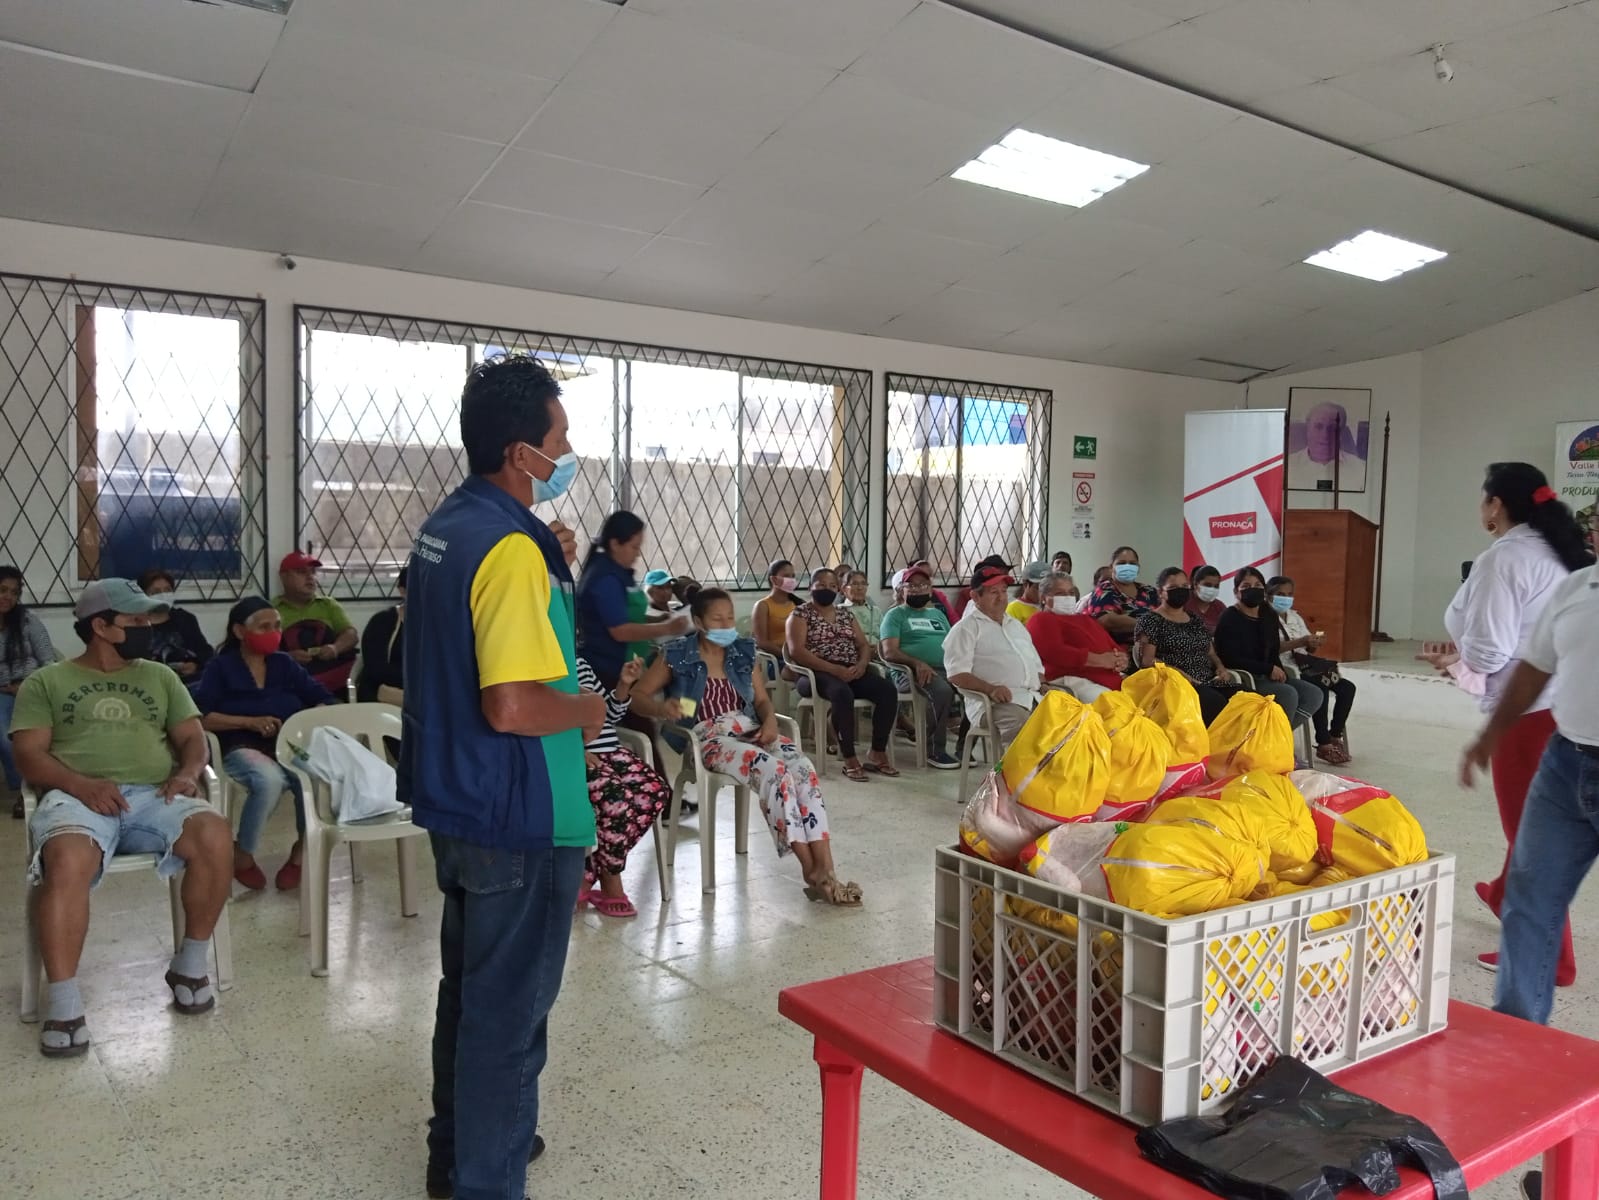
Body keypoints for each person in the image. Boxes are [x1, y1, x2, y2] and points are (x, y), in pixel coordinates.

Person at [399, 354, 608, 1200]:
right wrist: (589, 709)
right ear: (523, 453)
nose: (568, 451)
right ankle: (486, 1179)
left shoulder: (452, 525)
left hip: (457, 794)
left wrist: (541, 553)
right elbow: (514, 705)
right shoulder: (512, 550)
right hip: (519, 807)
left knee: (471, 990)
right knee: (510, 1012)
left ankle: (457, 1150)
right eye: (561, 436)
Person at [9, 578, 231, 1057]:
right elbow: (29, 755)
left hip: (154, 794)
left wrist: (188, 773)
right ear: (101, 626)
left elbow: (193, 738)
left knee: (214, 833)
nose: (147, 627)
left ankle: (190, 966)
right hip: (76, 797)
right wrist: (80, 784)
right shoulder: (47, 682)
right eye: (136, 620)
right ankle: (64, 1004)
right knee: (67, 860)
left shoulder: (161, 677)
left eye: (148, 619)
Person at [1444, 462, 1591, 983]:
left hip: (1526, 716)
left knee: (1532, 839)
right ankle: (1504, 895)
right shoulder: (1563, 553)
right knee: (1536, 825)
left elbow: (1489, 651)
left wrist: (1459, 658)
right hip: (1565, 705)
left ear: (1496, 505)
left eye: (1482, 498)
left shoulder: (1504, 559)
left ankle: (1552, 961)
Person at [633, 588, 861, 905]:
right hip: (709, 738)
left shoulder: (742, 652)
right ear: (698, 621)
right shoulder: (677, 654)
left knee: (803, 769)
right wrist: (662, 708)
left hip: (750, 728)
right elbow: (638, 697)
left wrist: (769, 722)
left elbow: (762, 700)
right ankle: (810, 870)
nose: (727, 625)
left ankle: (827, 866)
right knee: (775, 772)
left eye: (729, 617)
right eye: (717, 619)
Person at [193, 596, 337, 890]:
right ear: (239, 631)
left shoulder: (284, 664)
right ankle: (243, 853)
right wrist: (249, 722)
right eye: (264, 627)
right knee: (269, 781)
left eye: (277, 626)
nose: (273, 633)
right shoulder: (221, 667)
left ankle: (301, 852)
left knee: (314, 779)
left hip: (289, 745)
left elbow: (323, 698)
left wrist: (312, 717)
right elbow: (201, 717)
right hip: (240, 746)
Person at [575, 656, 670, 919]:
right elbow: (546, 719)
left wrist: (624, 684)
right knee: (617, 798)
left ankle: (590, 870)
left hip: (611, 751)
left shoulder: (581, 665)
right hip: (579, 754)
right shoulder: (546, 670)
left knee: (655, 791)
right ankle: (611, 879)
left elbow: (611, 714)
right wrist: (573, 748)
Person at [786, 568, 900, 782]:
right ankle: (849, 758)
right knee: (842, 693)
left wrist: (862, 664)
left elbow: (863, 645)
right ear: (811, 587)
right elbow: (797, 652)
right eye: (821, 585)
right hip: (814, 674)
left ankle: (877, 751)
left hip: (849, 670)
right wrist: (833, 669)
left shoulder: (845, 614)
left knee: (887, 690)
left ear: (838, 589)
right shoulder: (800, 614)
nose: (827, 589)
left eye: (832, 586)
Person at [576, 511, 691, 688]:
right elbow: (620, 630)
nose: (638, 554)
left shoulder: (619, 572)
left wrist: (655, 619)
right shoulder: (605, 578)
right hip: (606, 670)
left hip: (627, 665)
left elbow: (625, 613)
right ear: (615, 544)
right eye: (635, 547)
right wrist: (666, 628)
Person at [945, 563, 1046, 755]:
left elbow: (1036, 667)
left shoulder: (1016, 626)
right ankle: (1016, 773)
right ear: (975, 597)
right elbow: (956, 674)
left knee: (1069, 722)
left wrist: (1044, 684)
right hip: (993, 703)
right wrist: (990, 689)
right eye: (993, 592)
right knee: (1023, 726)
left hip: (1033, 697)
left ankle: (1052, 773)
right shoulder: (965, 629)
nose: (1001, 597)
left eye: (1004, 591)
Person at [1213, 566, 1323, 742]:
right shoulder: (1230, 617)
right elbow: (1229, 658)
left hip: (1267, 675)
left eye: (1258, 585)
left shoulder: (1268, 614)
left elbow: (1272, 649)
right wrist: (1268, 669)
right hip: (1246, 677)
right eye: (1246, 586)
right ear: (1236, 592)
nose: (1253, 589)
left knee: (1313, 694)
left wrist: (1279, 671)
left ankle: (1273, 741)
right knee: (1288, 694)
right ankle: (1274, 743)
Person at [1268, 575, 1356, 765]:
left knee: (1347, 688)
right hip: (1287, 668)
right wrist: (1301, 641)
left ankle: (1335, 735)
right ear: (1269, 595)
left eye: (1289, 594)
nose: (1285, 598)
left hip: (1307, 666)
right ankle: (1323, 743)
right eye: (1280, 594)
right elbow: (1270, 649)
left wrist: (1313, 643)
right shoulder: (1265, 617)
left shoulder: (1295, 616)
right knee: (1319, 689)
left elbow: (1308, 648)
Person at [879, 565, 960, 770]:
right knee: (941, 691)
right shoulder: (895, 615)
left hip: (945, 669)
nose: (917, 589)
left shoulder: (937, 615)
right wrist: (917, 663)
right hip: (909, 672)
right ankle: (934, 750)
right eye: (912, 586)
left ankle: (963, 749)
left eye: (923, 585)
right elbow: (889, 652)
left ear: (930, 590)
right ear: (901, 591)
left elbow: (951, 645)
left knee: (976, 689)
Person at [1133, 568, 1238, 725]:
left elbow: (1211, 653)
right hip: (1178, 685)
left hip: (1209, 680)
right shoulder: (1151, 621)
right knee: (1217, 704)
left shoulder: (1195, 619)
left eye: (1184, 586)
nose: (1180, 591)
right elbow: (1147, 661)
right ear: (1161, 592)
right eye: (1173, 587)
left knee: (1249, 700)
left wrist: (1220, 667)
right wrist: (1180, 674)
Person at [2, 564, 56, 817]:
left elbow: (48, 660)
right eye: (2, 590)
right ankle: (26, 789)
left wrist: (27, 685)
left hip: (32, 687)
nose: (8, 597)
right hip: (1, 692)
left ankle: (38, 785)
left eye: (14, 592)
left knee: (38, 733)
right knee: (6, 735)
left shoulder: (27, 621)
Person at [1027, 572, 1127, 702]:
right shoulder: (1041, 619)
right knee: (1113, 705)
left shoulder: (1084, 619)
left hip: (1110, 677)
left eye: (1071, 593)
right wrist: (1100, 660)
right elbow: (1056, 652)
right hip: (1073, 680)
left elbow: (1113, 645)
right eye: (1060, 593)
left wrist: (1122, 659)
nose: (1067, 597)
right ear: (1043, 597)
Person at [274, 551, 359, 694]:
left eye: (313, 572)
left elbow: (351, 635)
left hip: (331, 681)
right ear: (284, 577)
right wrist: (288, 657)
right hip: (290, 683)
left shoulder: (328, 605)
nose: (310, 577)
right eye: (301, 572)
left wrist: (335, 648)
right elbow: (262, 653)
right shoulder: (271, 610)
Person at [136, 568, 215, 681]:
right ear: (143, 595)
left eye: (167, 590)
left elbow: (205, 652)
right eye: (156, 592)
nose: (163, 595)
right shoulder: (135, 623)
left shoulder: (185, 619)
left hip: (187, 682)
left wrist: (196, 665)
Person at [1081, 546, 1159, 645]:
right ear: (1111, 567)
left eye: (1132, 563)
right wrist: (1147, 625)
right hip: (1119, 651)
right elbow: (1106, 620)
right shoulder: (1104, 589)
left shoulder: (1149, 591)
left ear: (1138, 567)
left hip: (1154, 649)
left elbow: (1166, 615)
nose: (1127, 567)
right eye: (1122, 563)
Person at [357, 564, 408, 704]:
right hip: (386, 694)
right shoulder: (383, 622)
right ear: (403, 591)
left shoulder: (439, 625)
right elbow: (377, 669)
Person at [1288, 401, 1365, 491]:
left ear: (1341, 433)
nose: (1325, 435)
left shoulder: (1361, 469)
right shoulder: (1286, 466)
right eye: (1318, 426)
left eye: (1333, 428)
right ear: (1308, 429)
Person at [752, 558, 800, 661]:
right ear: (774, 579)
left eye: (793, 576)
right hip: (776, 659)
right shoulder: (762, 606)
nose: (791, 580)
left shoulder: (797, 605)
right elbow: (762, 642)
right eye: (786, 576)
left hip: (797, 656)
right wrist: (788, 657)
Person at [842, 570, 883, 654]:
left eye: (863, 584)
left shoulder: (875, 610)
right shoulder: (839, 611)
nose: (860, 588)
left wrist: (878, 647)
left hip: (878, 653)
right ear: (844, 589)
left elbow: (886, 636)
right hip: (852, 653)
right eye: (855, 584)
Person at [1185, 564, 1227, 633]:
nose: (1212, 589)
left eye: (1216, 586)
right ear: (1195, 584)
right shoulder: (1183, 602)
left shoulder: (1220, 607)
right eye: (1208, 585)